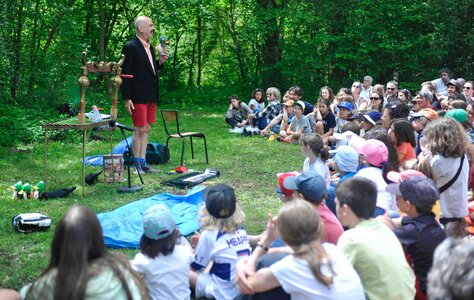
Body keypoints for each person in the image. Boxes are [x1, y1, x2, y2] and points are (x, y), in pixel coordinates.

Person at [235, 199, 365, 300]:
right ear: (319, 226)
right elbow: (298, 252)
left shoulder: (290, 268)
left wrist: (266, 241)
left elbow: (245, 285)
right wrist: (274, 251)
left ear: (284, 236)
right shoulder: (332, 250)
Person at [21, 206, 147, 299]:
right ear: (98, 238)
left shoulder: (48, 284)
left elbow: (24, 294)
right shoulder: (120, 271)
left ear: (58, 242)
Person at [335, 178, 416, 300]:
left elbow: (336, 281)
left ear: (345, 209)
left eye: (336, 203)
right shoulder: (383, 228)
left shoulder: (351, 239)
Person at [379, 175, 446, 300]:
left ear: (408, 205)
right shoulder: (429, 220)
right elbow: (403, 220)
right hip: (439, 283)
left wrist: (384, 220)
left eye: (398, 197)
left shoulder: (413, 231)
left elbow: (384, 236)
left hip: (424, 291)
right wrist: (388, 221)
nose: (396, 199)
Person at [121, 16, 169, 174]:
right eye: (150, 25)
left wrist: (160, 62)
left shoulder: (149, 47)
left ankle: (143, 162)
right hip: (137, 96)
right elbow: (125, 74)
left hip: (150, 95)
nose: (153, 28)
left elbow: (150, 70)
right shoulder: (130, 46)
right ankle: (136, 165)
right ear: (141, 28)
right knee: (139, 129)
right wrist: (127, 98)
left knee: (147, 128)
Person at [190, 184, 251, 300]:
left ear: (206, 209)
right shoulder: (241, 230)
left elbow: (195, 266)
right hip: (242, 289)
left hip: (223, 292)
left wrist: (193, 251)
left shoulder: (209, 235)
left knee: (185, 271)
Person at [131, 205, 194, 300]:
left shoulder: (142, 259)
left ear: (145, 236)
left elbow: (127, 273)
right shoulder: (185, 251)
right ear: (175, 231)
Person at [421, 117, 469, 237]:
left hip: (443, 216)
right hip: (458, 215)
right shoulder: (462, 156)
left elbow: (423, 182)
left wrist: (422, 160)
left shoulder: (438, 161)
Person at [283, 172, 344, 244]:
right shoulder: (319, 206)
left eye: (294, 193)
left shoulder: (312, 223)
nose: (292, 196)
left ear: (300, 197)